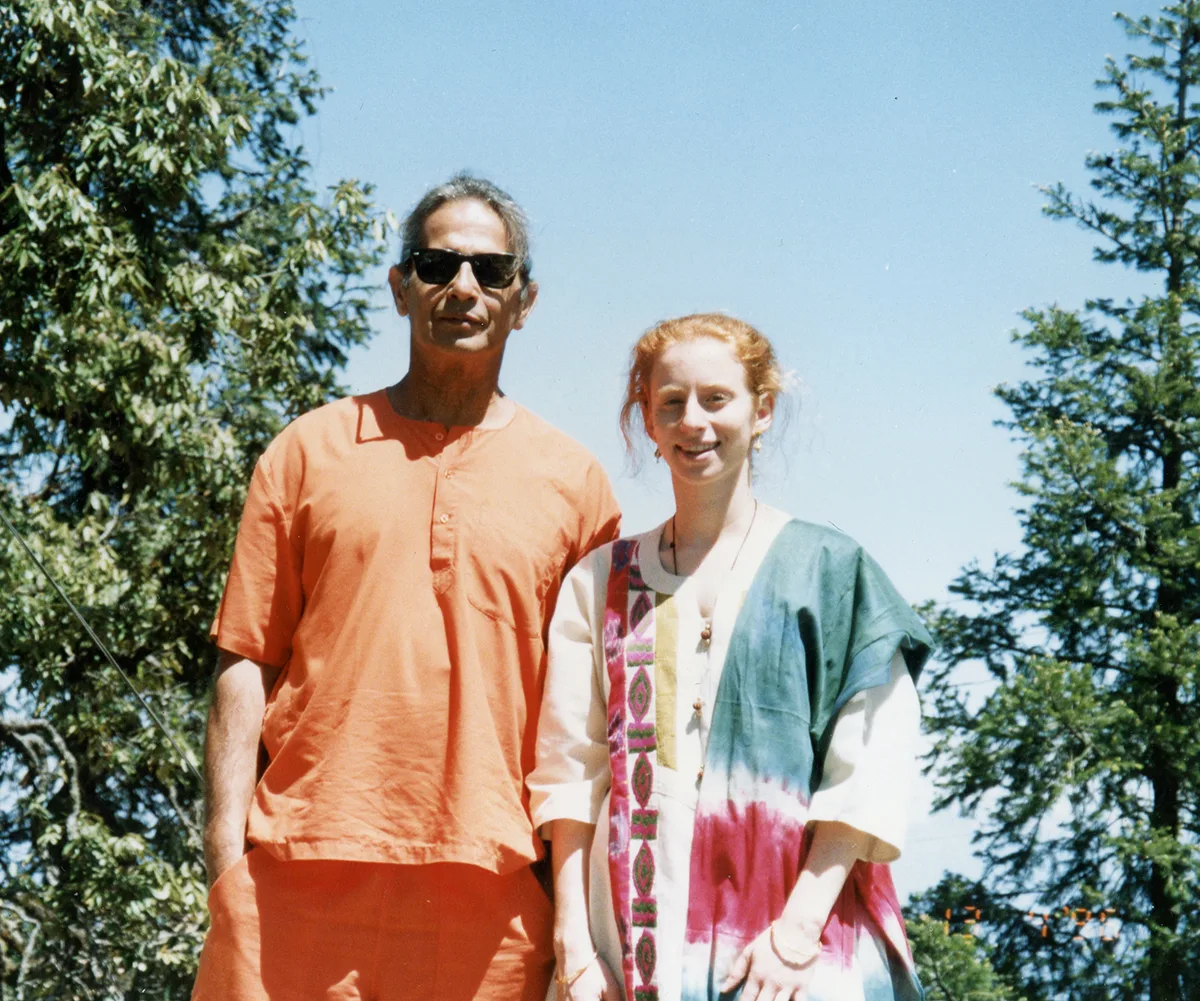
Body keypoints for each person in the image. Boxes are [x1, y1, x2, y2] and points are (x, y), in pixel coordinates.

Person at [192, 173, 621, 1001]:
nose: (463, 287)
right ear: (400, 287)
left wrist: (570, 909)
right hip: (296, 880)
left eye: (491, 271)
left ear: (524, 301)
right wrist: (224, 862)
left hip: (495, 895)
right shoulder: (307, 451)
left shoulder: (577, 485)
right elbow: (245, 660)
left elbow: (592, 717)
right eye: (436, 264)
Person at [527, 313, 930, 1001]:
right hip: (630, 946)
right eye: (671, 402)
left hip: (793, 952)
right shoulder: (598, 582)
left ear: (761, 410)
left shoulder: (831, 571)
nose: (694, 421)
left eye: (717, 398)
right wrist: (574, 947)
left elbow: (871, 764)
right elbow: (570, 772)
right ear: (648, 420)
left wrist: (796, 936)